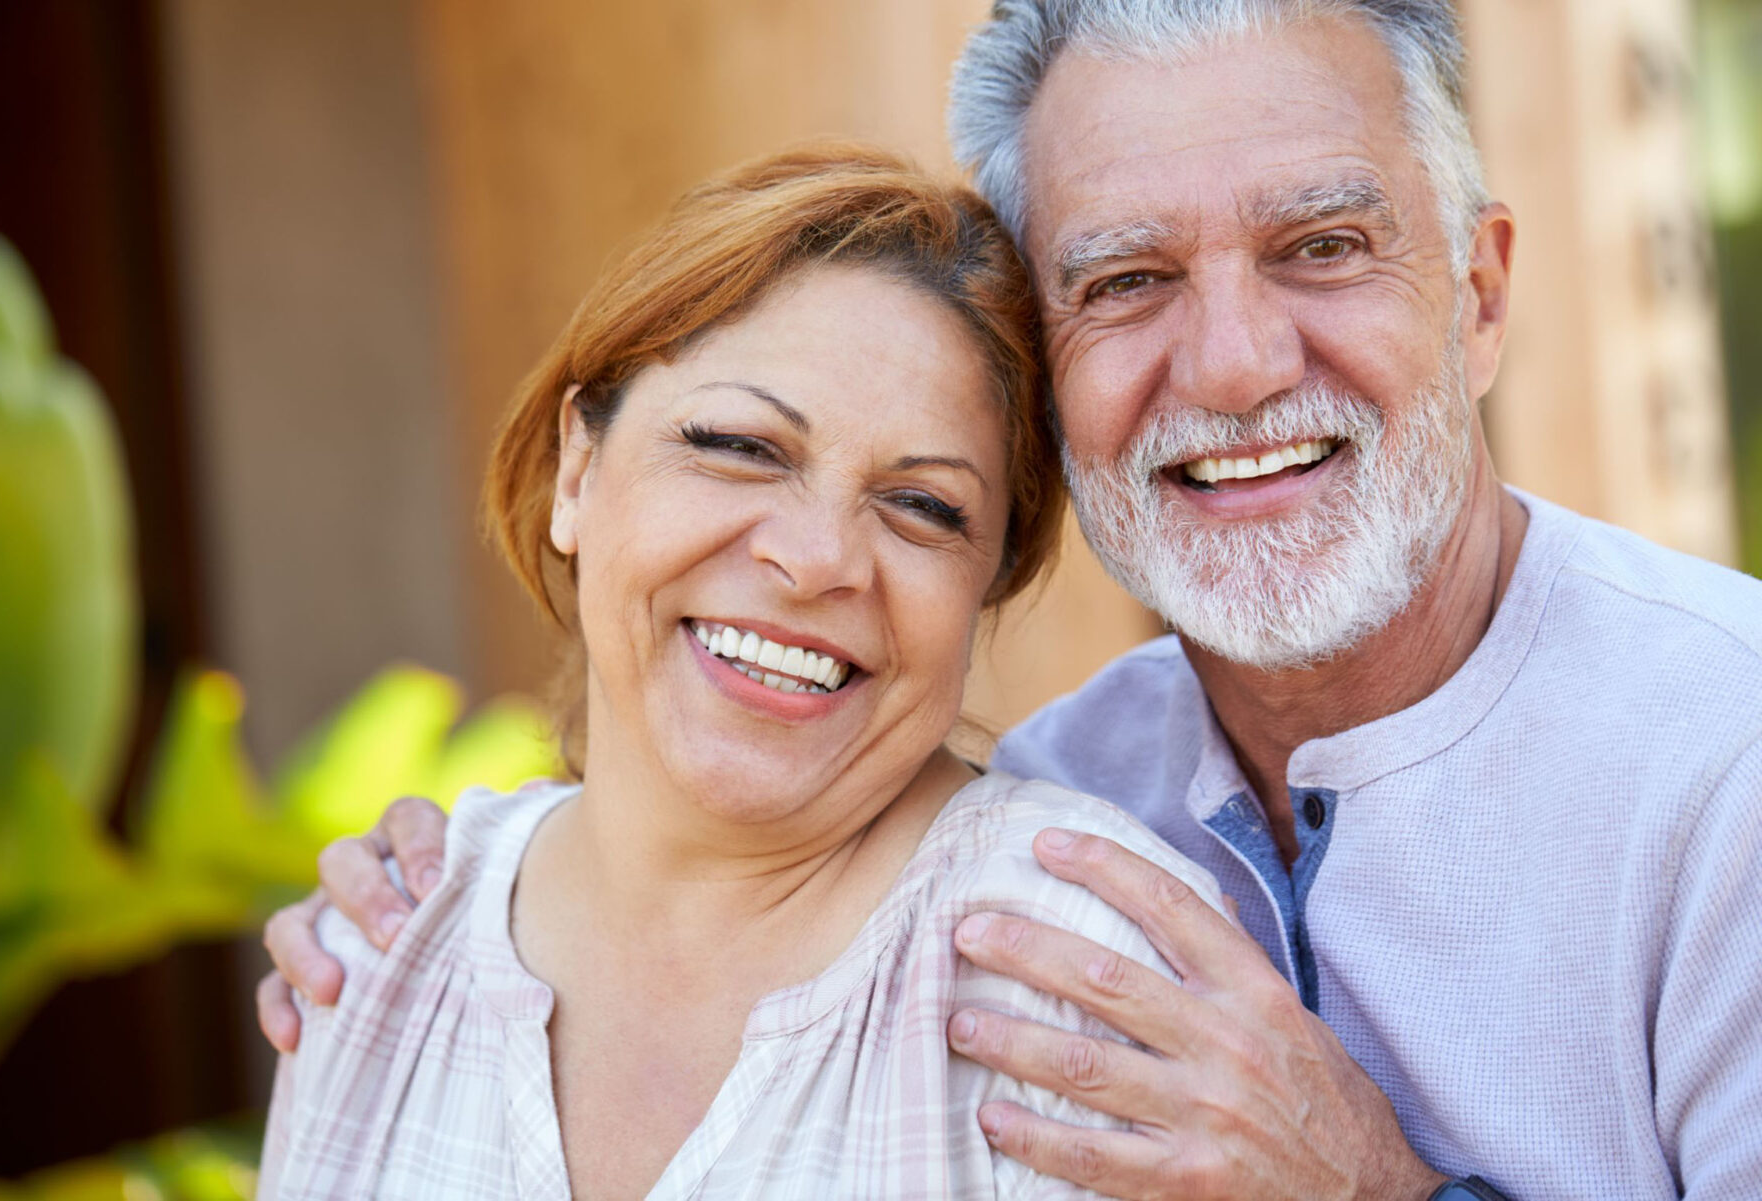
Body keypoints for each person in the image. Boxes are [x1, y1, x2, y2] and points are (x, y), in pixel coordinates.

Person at [262, 2, 1762, 1197]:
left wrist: (1376, 1194)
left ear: (1481, 295)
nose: (1235, 364)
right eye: (1125, 281)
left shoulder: (1727, 760)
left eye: (1321, 247)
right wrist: (455, 883)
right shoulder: (1066, 788)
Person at [257, 143, 1236, 1199]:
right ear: (579, 471)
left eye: (923, 507)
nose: (816, 561)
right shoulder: (380, 946)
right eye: (740, 445)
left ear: (984, 589)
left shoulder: (1076, 971)